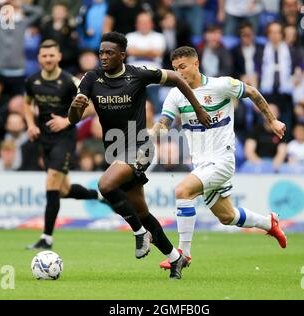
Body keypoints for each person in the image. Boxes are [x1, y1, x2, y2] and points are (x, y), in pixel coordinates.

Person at [68, 32, 211, 279]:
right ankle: (175, 258)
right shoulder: (91, 79)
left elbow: (176, 77)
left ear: (122, 55)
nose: (103, 57)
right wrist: (74, 108)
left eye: (109, 52)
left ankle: (138, 232)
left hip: (141, 146)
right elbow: (73, 119)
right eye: (101, 52)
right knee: (141, 211)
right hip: (115, 150)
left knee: (105, 184)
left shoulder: (138, 74)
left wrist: (198, 109)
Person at [148, 46, 287, 270]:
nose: (179, 72)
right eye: (175, 69)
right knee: (227, 216)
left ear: (196, 63)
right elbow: (164, 122)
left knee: (182, 191)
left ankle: (183, 254)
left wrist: (272, 121)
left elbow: (252, 92)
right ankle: (268, 223)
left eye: (182, 67)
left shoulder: (221, 85)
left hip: (222, 160)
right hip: (202, 164)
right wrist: (152, 135)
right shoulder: (175, 94)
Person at [24, 40, 103, 250]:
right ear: (39, 58)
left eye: (52, 55)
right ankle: (100, 195)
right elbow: (26, 103)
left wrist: (67, 121)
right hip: (45, 139)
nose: (48, 59)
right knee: (63, 190)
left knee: (51, 182)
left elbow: (92, 105)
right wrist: (30, 124)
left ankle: (46, 238)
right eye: (44, 56)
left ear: (59, 57)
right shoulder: (32, 81)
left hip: (65, 138)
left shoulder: (70, 81)